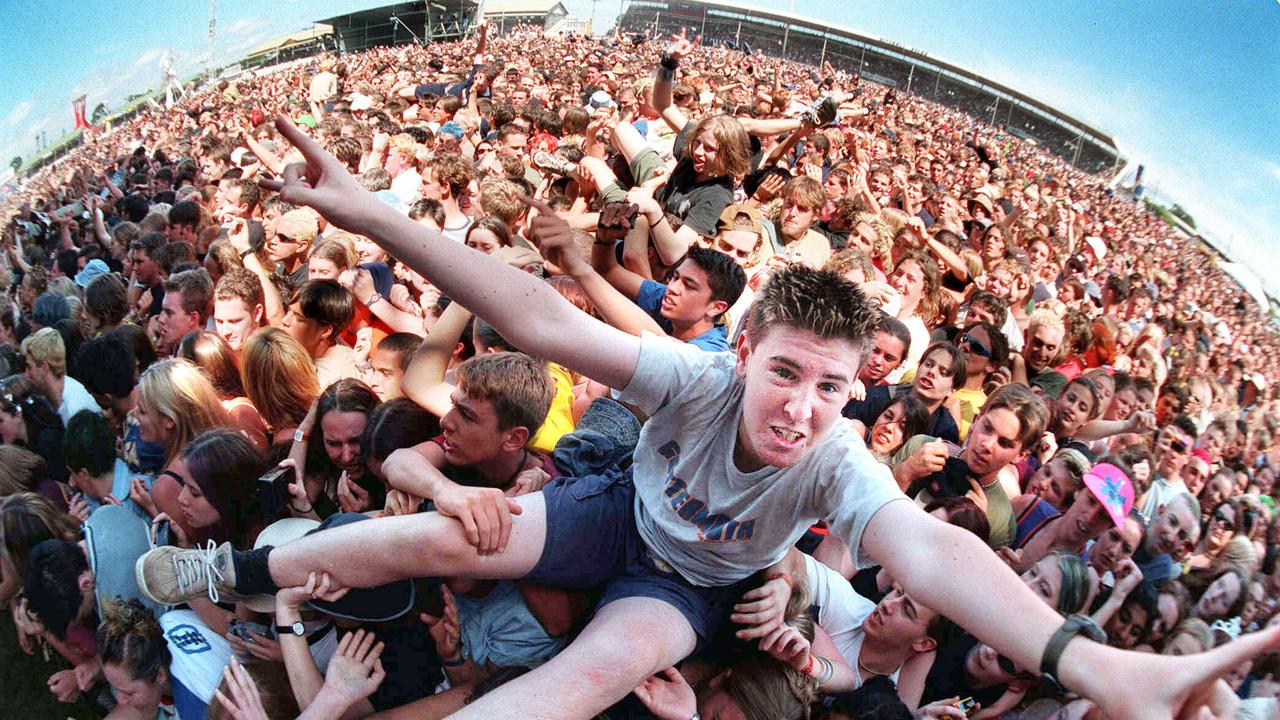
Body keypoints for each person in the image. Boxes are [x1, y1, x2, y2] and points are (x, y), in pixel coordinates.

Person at [135, 117, 1269, 720]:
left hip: (681, 590)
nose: (804, 408)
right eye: (786, 375)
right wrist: (372, 214)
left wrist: (1088, 664)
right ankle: (232, 572)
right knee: (434, 536)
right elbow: (532, 314)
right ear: (742, 351)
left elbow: (928, 547)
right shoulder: (691, 377)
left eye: (832, 389)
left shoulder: (832, 465)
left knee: (578, 683)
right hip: (609, 516)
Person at [282, 279, 360, 388]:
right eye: (288, 311)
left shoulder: (335, 382)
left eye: (299, 319)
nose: (285, 320)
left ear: (325, 331)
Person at [21, 327, 99, 426]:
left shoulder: (74, 409)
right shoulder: (55, 399)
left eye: (29, 367)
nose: (26, 374)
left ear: (44, 367)